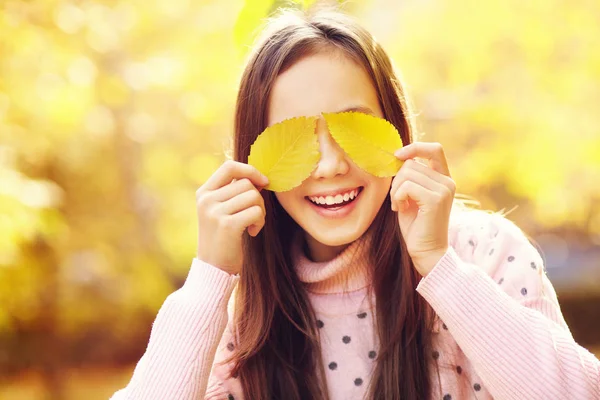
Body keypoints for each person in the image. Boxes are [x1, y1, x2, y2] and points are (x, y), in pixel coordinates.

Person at [110, 6, 600, 400]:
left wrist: (439, 267)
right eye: (296, 138)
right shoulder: (234, 313)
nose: (329, 166)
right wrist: (210, 277)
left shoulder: (482, 252)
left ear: (397, 129)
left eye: (353, 127)